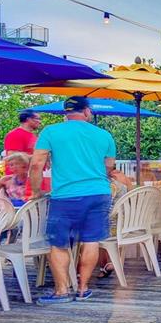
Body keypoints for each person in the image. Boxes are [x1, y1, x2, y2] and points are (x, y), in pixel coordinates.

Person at [28, 97, 115, 304]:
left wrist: (35, 191)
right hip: (99, 193)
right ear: (86, 111)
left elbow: (36, 164)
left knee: (58, 244)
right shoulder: (104, 135)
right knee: (91, 241)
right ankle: (84, 288)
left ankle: (62, 291)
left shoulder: (51, 132)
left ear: (66, 113)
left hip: (66, 195)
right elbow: (109, 167)